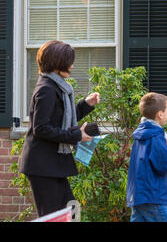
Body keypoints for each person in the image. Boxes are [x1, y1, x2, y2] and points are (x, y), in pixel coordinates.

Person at [19, 40, 100, 217]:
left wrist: (85, 105)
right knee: (53, 217)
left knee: (70, 212)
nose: (71, 65)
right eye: (68, 61)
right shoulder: (46, 89)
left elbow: (61, 120)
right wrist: (76, 135)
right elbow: (41, 128)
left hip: (52, 164)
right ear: (56, 63)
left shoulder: (59, 87)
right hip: (42, 165)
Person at [126, 92, 167, 222]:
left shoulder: (140, 134)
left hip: (138, 196)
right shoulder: (156, 136)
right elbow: (164, 166)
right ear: (160, 114)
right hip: (152, 196)